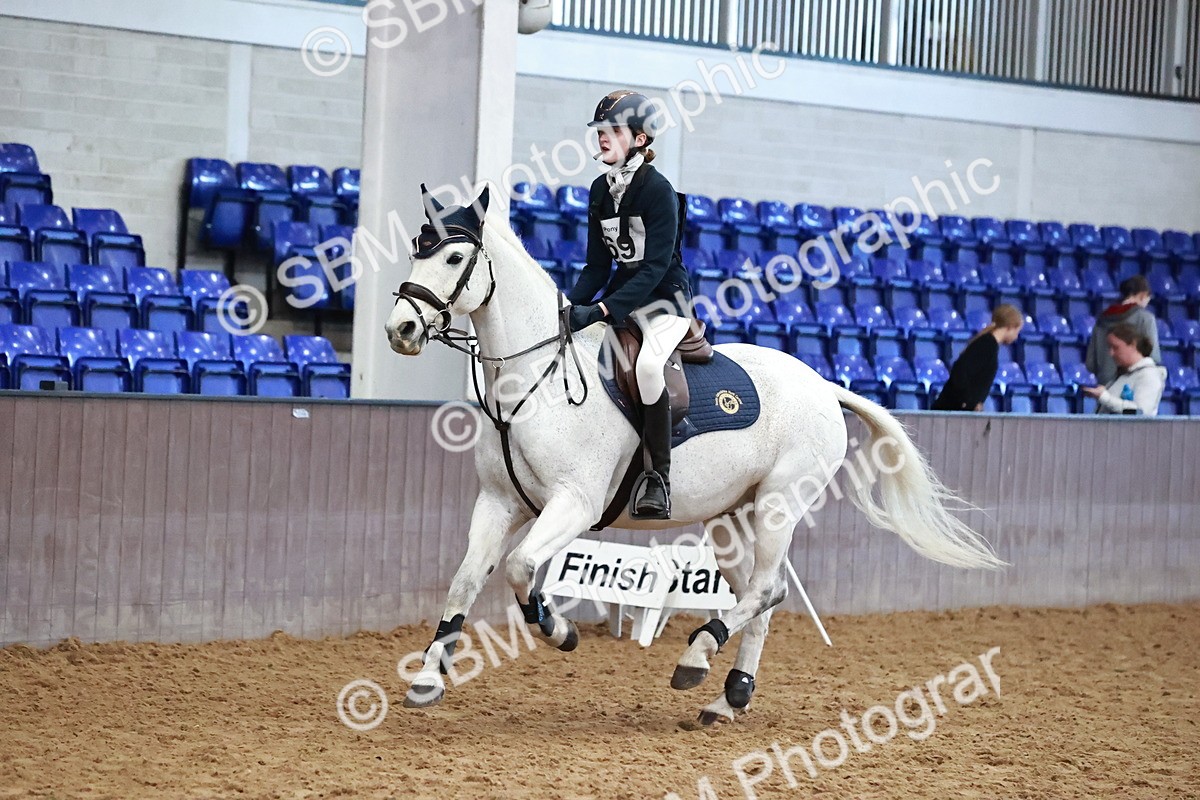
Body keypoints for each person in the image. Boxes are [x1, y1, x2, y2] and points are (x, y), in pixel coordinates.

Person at [565, 89, 692, 520]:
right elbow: (596, 267)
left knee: (648, 367)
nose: (602, 138)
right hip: (623, 298)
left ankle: (659, 477)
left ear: (639, 139)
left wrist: (601, 311)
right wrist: (568, 307)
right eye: (600, 130)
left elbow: (654, 268)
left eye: (613, 131)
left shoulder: (659, 192)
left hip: (666, 302)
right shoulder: (600, 189)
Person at [931, 305, 1023, 411]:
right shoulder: (986, 345)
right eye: (1017, 331)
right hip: (953, 409)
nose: (1016, 336)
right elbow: (960, 370)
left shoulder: (990, 345)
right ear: (1010, 327)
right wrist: (967, 401)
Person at [1086, 275, 1161, 387]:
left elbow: (1090, 363)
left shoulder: (1101, 320)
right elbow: (1153, 357)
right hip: (1135, 387)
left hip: (1105, 388)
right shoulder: (1146, 318)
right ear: (1142, 295)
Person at [1081, 323, 1167, 415]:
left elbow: (1141, 411)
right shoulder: (1122, 375)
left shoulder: (1149, 375)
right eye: (1110, 348)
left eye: (1116, 347)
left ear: (1133, 345)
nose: (1111, 353)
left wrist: (1104, 397)